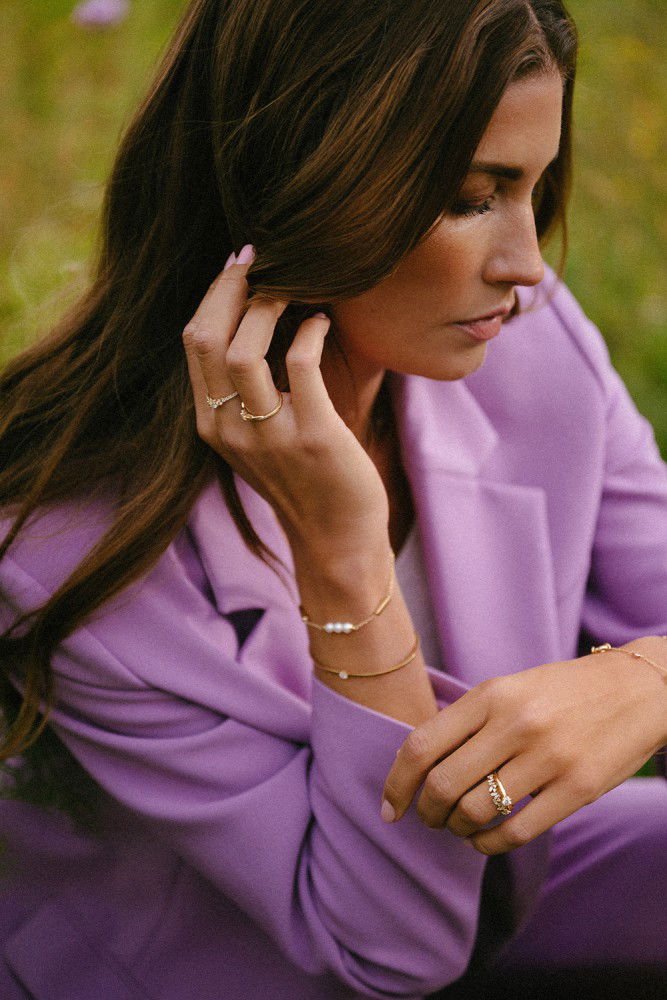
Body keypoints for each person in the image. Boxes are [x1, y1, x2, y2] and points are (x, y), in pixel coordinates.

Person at [1, 1, 665, 998]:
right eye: (469, 198)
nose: (526, 264)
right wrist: (344, 558)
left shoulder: (532, 348)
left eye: (533, 187)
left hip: (506, 890)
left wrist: (646, 679)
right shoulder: (66, 544)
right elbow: (391, 949)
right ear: (300, 186)